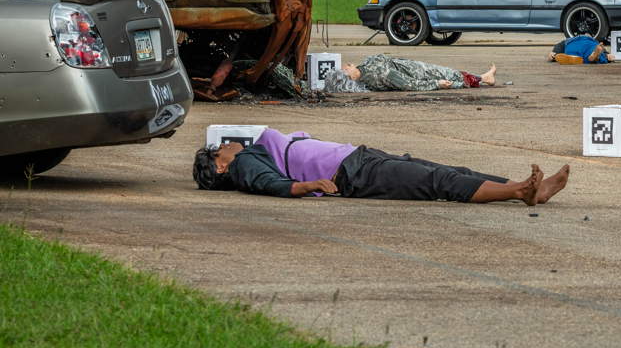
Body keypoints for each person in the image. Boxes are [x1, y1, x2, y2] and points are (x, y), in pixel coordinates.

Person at [192, 126, 569, 204]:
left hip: (359, 157)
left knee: (447, 170)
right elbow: (274, 185)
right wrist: (311, 186)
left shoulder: (254, 151)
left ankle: (531, 187)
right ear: (220, 168)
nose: (224, 146)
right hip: (353, 173)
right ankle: (520, 191)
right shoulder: (245, 166)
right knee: (436, 181)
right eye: (218, 151)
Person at [319, 54, 499, 93]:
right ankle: (484, 78)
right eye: (345, 68)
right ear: (349, 77)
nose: (347, 64)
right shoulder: (376, 76)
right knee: (454, 76)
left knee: (452, 73)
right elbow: (407, 84)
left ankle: (483, 77)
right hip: (420, 74)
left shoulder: (365, 69)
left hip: (414, 66)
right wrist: (436, 84)